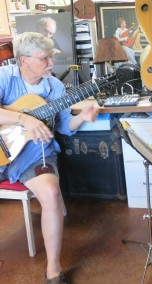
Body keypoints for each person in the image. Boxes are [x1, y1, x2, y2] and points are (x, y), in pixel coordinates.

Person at [0, 32, 99, 283]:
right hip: (4, 146)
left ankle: (53, 269)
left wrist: (82, 118)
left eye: (51, 57)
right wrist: (24, 118)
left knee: (52, 194)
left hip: (35, 151)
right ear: (24, 60)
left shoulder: (54, 86)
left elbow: (65, 125)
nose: (51, 64)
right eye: (45, 58)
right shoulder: (4, 77)